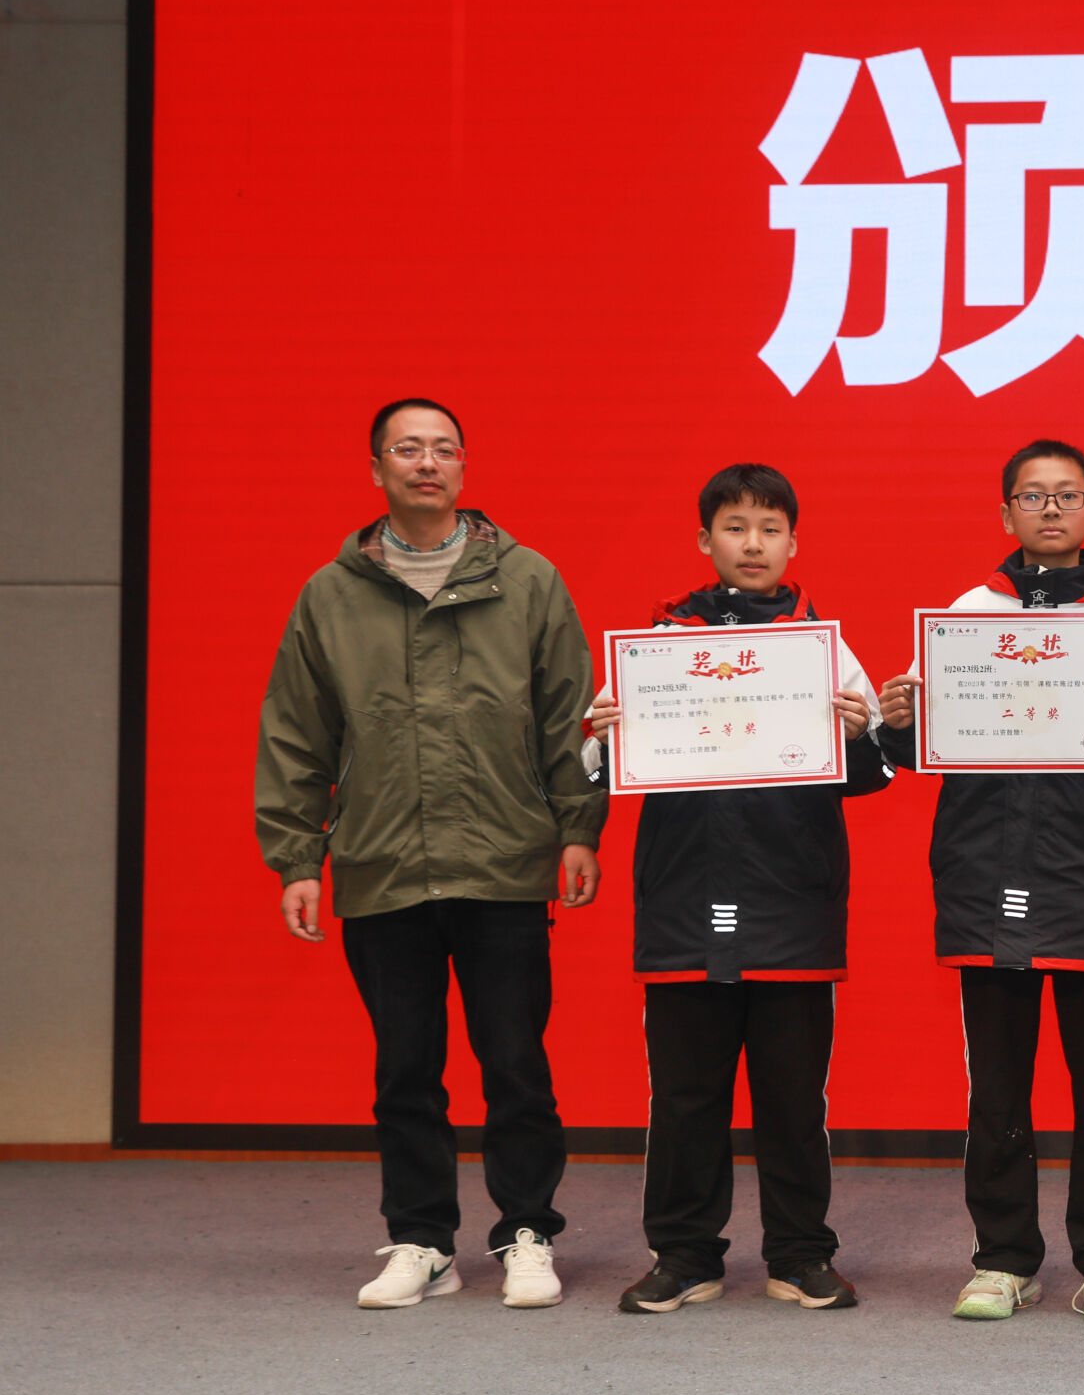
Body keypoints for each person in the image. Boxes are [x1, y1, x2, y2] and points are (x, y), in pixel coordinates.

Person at [256, 398, 604, 1310]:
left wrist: (578, 827)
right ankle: (422, 1240)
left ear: (463, 467)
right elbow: (297, 733)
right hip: (382, 863)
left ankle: (527, 1231)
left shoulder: (528, 579)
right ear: (376, 468)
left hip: (504, 860)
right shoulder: (330, 595)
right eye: (407, 449)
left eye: (443, 449)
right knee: (404, 1069)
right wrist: (298, 858)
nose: (426, 462)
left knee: (515, 1063)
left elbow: (569, 716)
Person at [878, 439, 1084, 1325]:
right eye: (1033, 495)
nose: (1051, 508)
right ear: (1006, 514)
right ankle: (1003, 1259)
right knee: (997, 1087)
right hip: (986, 879)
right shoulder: (967, 615)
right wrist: (899, 720)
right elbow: (921, 745)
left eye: (1068, 495)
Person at [583, 465, 890, 1316]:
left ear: (793, 542)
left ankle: (801, 1254)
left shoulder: (823, 646)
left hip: (793, 903)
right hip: (684, 900)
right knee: (685, 1099)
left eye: (769, 528)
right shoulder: (657, 645)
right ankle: (684, 1255)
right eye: (734, 527)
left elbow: (873, 772)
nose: (752, 543)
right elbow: (601, 766)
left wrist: (861, 734)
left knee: (793, 1098)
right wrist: (603, 735)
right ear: (704, 539)